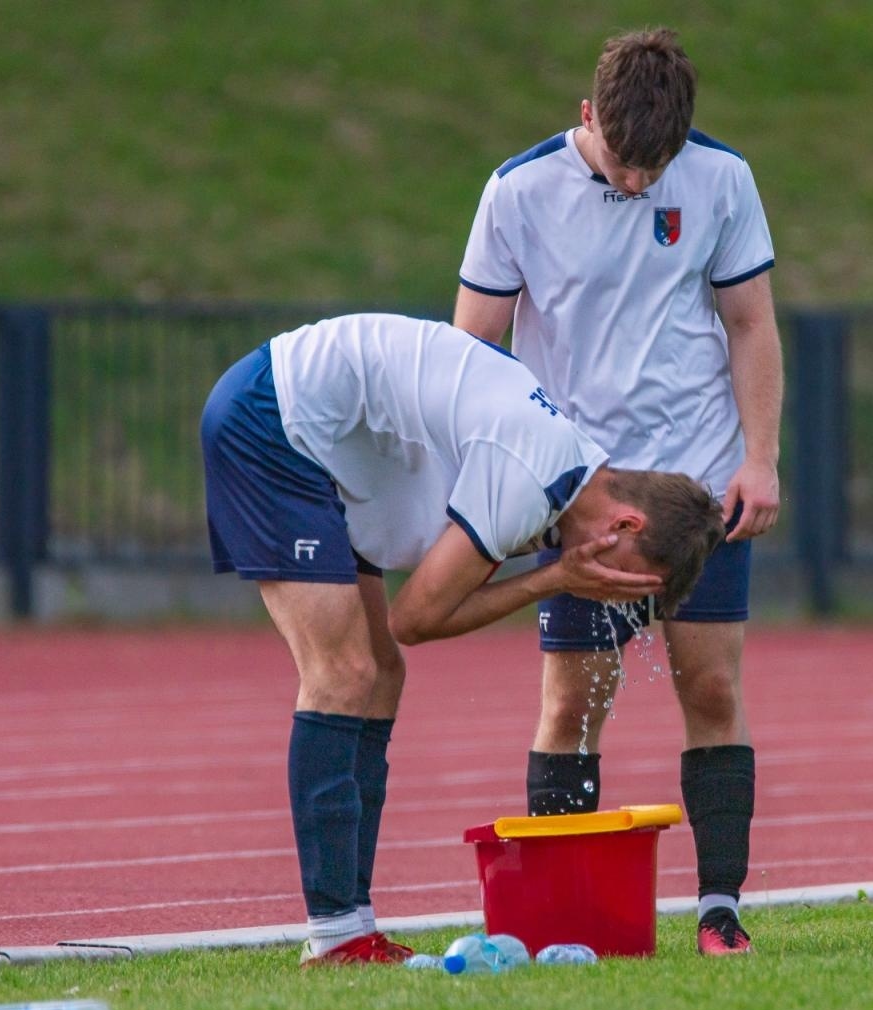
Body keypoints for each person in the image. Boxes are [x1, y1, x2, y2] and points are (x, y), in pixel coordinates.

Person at [201, 312, 725, 967]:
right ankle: (334, 933)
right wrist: (554, 578)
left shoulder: (563, 463)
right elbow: (415, 617)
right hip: (275, 422)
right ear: (625, 521)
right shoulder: (529, 476)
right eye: (626, 580)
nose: (610, 593)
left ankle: (354, 923)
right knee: (343, 673)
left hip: (329, 438)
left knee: (380, 674)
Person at [454, 27, 783, 955]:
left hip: (698, 482)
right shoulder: (517, 192)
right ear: (587, 115)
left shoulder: (723, 179)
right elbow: (474, 347)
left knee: (711, 683)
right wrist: (505, 483)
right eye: (624, 163)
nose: (639, 183)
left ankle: (720, 908)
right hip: (583, 494)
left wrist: (759, 459)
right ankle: (561, 913)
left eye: (658, 166)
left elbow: (751, 323)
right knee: (572, 705)